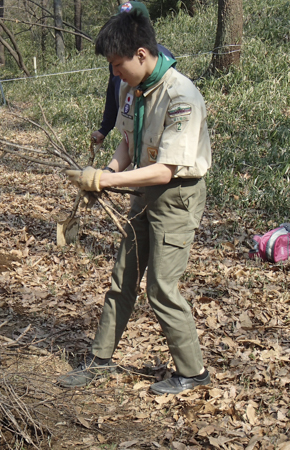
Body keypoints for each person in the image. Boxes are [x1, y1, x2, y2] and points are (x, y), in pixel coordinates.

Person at [59, 7, 212, 395]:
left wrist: (109, 180)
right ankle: (99, 359)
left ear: (141, 54)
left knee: (161, 288)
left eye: (117, 64)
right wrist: (106, 174)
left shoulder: (182, 96)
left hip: (176, 198)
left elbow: (165, 170)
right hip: (142, 192)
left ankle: (192, 372)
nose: (114, 73)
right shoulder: (130, 90)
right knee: (122, 278)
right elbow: (127, 142)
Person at [92, 1, 174, 146]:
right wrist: (105, 129)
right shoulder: (119, 64)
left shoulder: (163, 61)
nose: (117, 72)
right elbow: (112, 95)